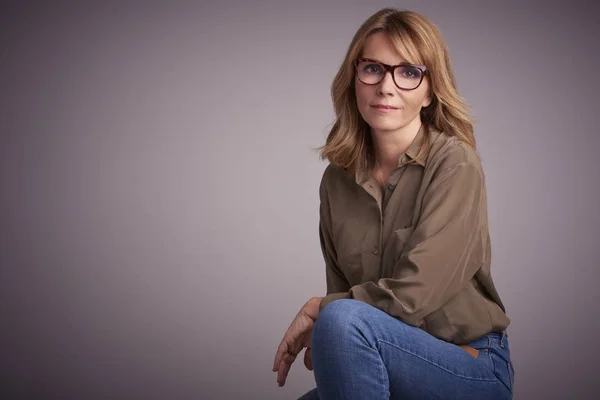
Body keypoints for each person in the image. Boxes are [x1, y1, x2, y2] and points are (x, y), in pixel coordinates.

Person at [272, 8, 514, 400]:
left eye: (408, 72)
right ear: (355, 79)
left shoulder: (455, 163)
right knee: (340, 320)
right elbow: (347, 310)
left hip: (469, 365)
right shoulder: (336, 180)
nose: (386, 87)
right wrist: (332, 327)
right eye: (373, 69)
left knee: (340, 316)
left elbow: (410, 294)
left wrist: (324, 309)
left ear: (430, 89)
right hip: (383, 360)